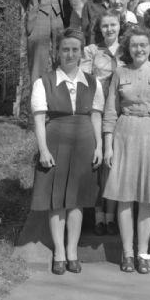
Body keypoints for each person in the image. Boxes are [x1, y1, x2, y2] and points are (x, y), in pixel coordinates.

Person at [31, 28, 104, 274]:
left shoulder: (93, 83)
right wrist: (43, 150)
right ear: (57, 52)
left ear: (81, 52)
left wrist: (99, 146)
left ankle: (72, 251)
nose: (70, 54)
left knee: (77, 201)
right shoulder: (44, 82)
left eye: (75, 49)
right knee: (57, 199)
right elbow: (40, 120)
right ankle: (59, 252)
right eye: (65, 49)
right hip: (55, 141)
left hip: (84, 143)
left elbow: (96, 117)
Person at [103, 27, 150, 274]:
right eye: (134, 45)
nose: (139, 49)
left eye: (143, 45)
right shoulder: (119, 73)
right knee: (124, 196)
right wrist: (108, 144)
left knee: (147, 197)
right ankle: (128, 253)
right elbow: (110, 111)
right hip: (124, 133)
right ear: (127, 48)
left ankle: (143, 253)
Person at [81, 10, 123, 236]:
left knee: (115, 163)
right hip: (96, 108)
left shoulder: (126, 51)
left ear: (119, 26)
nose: (109, 29)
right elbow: (85, 79)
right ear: (100, 28)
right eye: (105, 26)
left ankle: (112, 216)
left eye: (113, 25)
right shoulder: (91, 51)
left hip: (119, 111)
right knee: (98, 164)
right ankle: (99, 217)